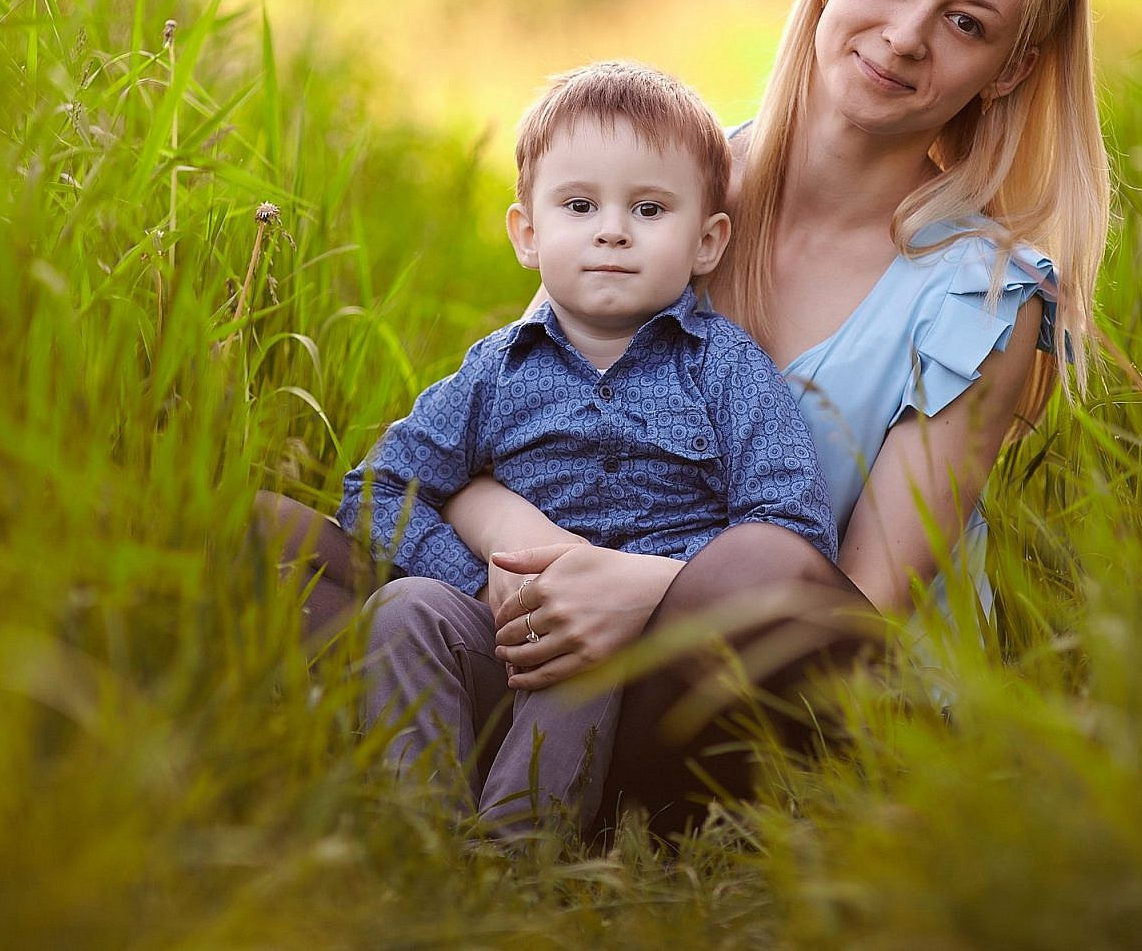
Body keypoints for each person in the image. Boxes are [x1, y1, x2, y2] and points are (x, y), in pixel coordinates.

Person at [260, 0, 1109, 833]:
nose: (906, 33)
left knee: (755, 564)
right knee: (270, 538)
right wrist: (533, 560)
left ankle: (542, 788)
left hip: (771, 702)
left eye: (966, 23)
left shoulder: (981, 299)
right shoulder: (663, 181)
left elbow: (851, 610)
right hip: (561, 642)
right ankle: (474, 777)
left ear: (1005, 72)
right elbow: (499, 418)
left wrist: (641, 592)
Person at [337, 61, 839, 840]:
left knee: (586, 658)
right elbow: (379, 487)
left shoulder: (727, 370)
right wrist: (479, 588)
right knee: (404, 608)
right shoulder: (496, 371)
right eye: (579, 205)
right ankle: (418, 839)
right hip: (502, 629)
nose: (612, 229)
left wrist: (652, 593)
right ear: (528, 234)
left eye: (648, 208)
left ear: (707, 242)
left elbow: (790, 533)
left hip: (639, 651)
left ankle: (515, 859)